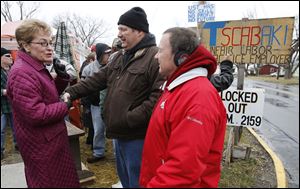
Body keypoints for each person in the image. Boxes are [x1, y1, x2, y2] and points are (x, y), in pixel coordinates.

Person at [139, 27, 227, 188]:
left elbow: (183, 171)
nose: (156, 56)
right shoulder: (179, 88)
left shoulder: (198, 98)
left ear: (181, 58)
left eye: (160, 50)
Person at [7, 19, 80, 187]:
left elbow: (45, 94)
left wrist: (61, 79)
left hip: (50, 141)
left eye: (50, 43)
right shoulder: (22, 72)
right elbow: (36, 114)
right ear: (25, 45)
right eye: (43, 43)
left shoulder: (34, 66)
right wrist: (64, 105)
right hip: (42, 146)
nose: (50, 48)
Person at [81, 43, 111, 163]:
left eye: (109, 53)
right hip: (96, 104)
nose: (108, 55)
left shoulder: (113, 66)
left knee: (114, 128)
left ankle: (118, 153)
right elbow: (83, 87)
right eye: (106, 53)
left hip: (111, 104)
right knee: (98, 129)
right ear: (99, 54)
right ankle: (98, 152)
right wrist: (86, 104)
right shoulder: (89, 69)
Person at [1, 47, 18, 160]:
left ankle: (19, 145)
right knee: (0, 129)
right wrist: (3, 91)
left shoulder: (15, 69)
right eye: (7, 56)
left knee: (16, 127)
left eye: (11, 55)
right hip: (2, 106)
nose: (11, 57)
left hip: (14, 104)